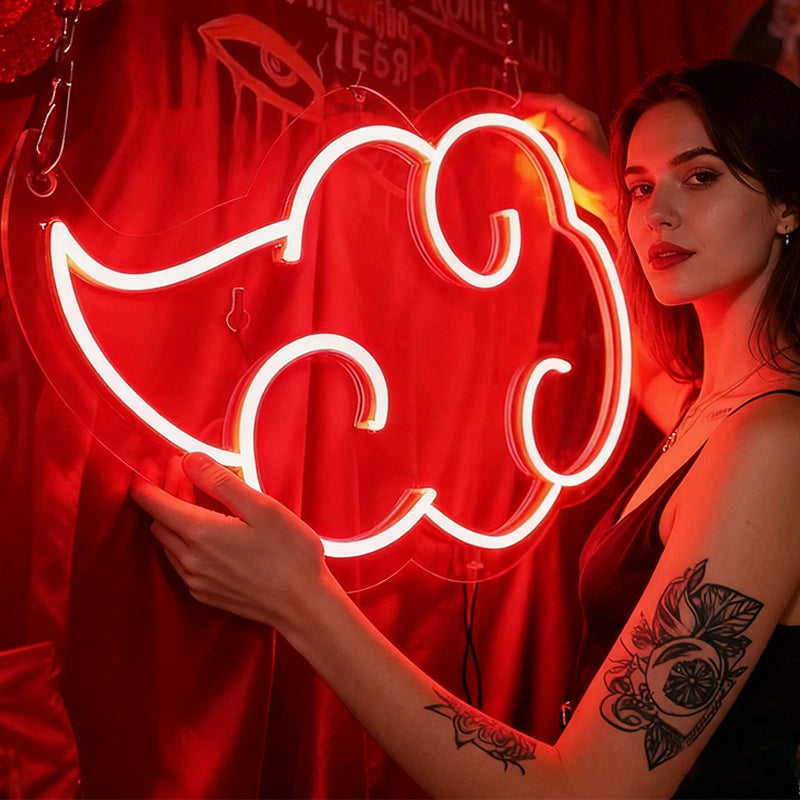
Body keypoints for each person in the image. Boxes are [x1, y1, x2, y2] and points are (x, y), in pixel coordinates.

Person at [130, 59, 800, 798]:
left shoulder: (775, 443)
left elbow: (587, 794)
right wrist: (608, 202)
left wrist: (301, 597)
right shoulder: (718, 407)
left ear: (788, 204)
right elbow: (648, 376)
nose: (657, 215)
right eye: (642, 186)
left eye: (700, 177)